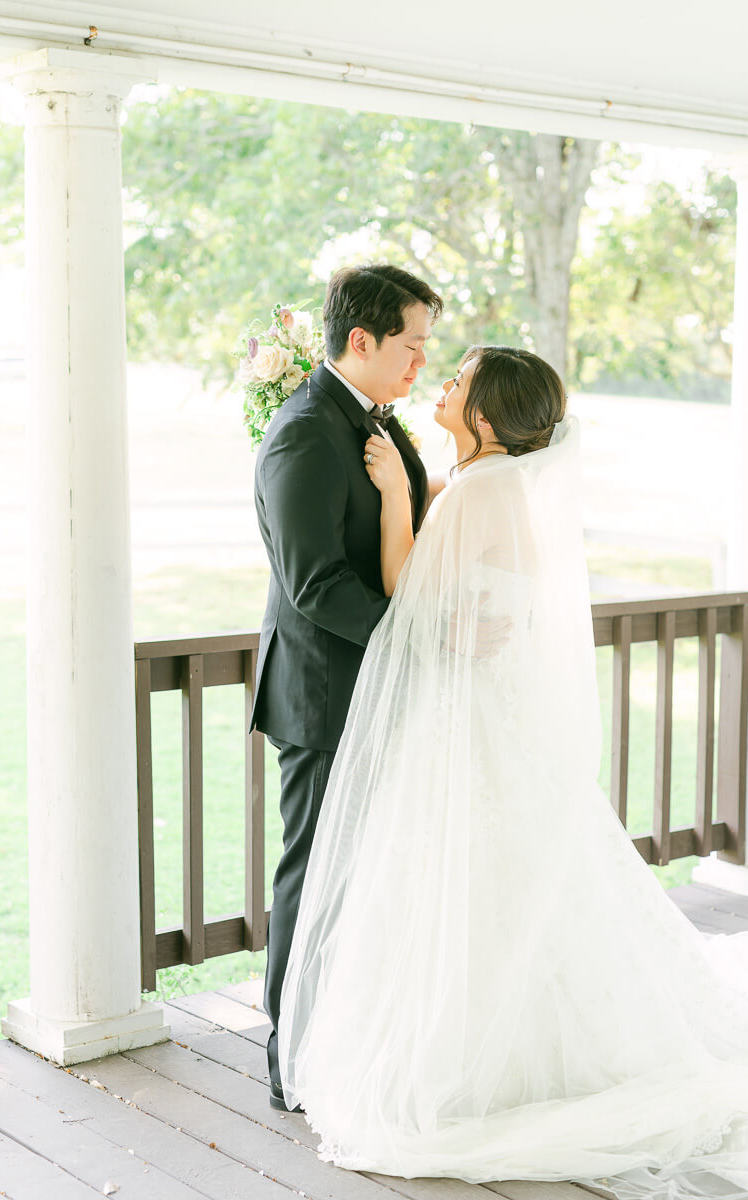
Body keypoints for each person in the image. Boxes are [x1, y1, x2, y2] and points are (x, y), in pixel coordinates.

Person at [278, 345, 748, 1199]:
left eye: (461, 378)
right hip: (486, 711)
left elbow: (412, 592)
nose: (444, 380)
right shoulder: (495, 486)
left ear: (485, 417)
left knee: (474, 879)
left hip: (471, 717)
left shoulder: (483, 490)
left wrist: (400, 499)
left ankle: (486, 1063)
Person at [249, 263, 443, 1111]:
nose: (419, 366)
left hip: (375, 688)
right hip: (325, 696)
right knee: (313, 869)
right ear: (359, 340)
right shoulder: (302, 432)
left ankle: (344, 1039)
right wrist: (417, 642)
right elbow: (314, 583)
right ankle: (289, 1053)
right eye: (410, 346)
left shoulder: (374, 422)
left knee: (364, 871)